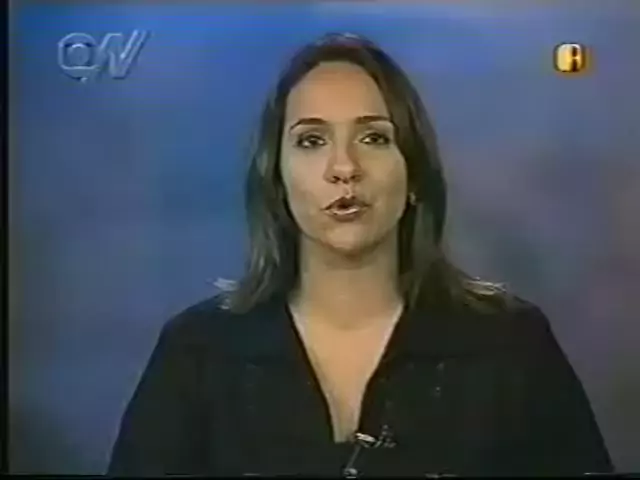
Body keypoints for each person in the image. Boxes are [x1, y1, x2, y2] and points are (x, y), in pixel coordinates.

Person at [108, 32, 613, 477]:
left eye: (373, 137)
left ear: (413, 175)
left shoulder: (510, 345)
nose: (344, 167)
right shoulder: (199, 352)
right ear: (277, 181)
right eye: (311, 140)